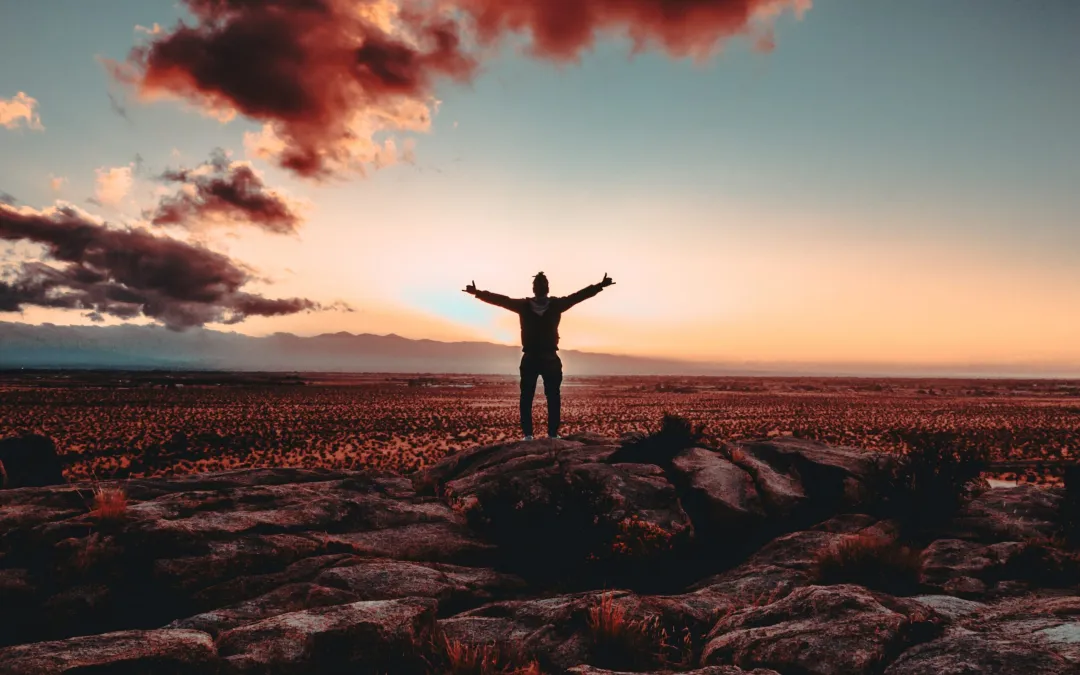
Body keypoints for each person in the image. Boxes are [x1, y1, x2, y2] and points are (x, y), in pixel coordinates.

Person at [464, 272, 615, 440]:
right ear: (547, 288)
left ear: (533, 289)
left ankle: (530, 435)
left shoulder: (526, 305)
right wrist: (599, 286)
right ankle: (551, 434)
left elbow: (502, 300)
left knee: (529, 397)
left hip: (532, 358)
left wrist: (478, 293)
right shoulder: (555, 304)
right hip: (548, 358)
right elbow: (577, 297)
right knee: (551, 397)